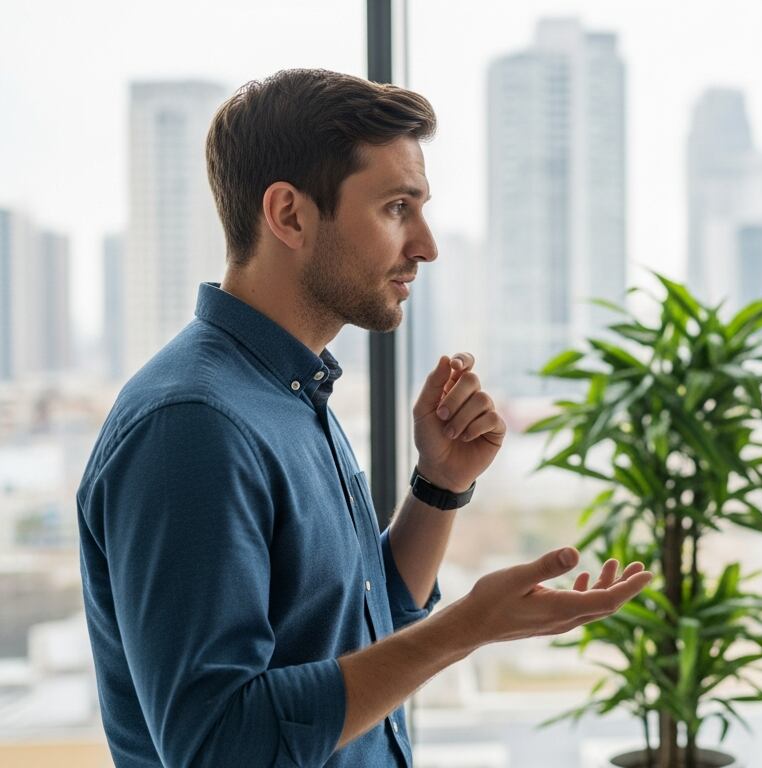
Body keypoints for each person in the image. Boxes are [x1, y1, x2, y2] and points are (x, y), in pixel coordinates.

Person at [76, 68, 651, 767]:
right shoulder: (193, 426)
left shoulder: (290, 392)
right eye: (396, 208)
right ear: (290, 215)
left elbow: (362, 622)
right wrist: (465, 629)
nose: (427, 245)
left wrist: (439, 486)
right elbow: (218, 747)